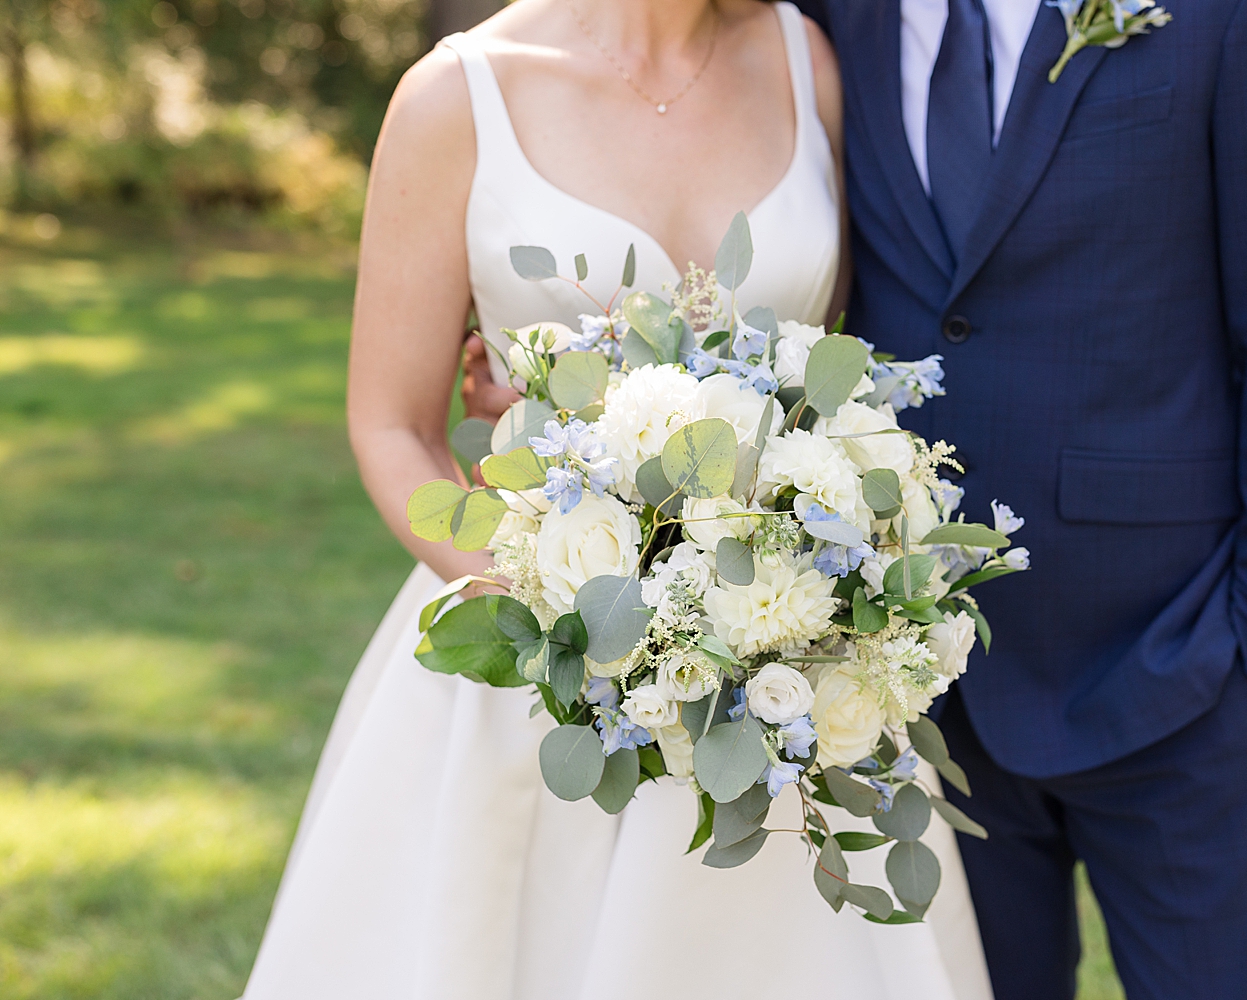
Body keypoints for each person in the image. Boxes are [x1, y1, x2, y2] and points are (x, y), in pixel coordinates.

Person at [462, 0, 1247, 997]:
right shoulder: (824, 22)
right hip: (905, 701)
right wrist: (581, 393)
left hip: (1178, 669)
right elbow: (783, 269)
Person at [240, 1, 994, 998]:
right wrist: (558, 613)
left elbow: (815, 365)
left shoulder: (800, 59)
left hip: (780, 669)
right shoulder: (460, 94)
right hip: (534, 659)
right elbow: (396, 429)